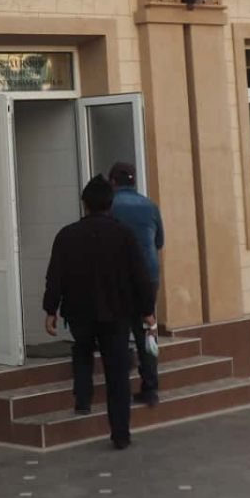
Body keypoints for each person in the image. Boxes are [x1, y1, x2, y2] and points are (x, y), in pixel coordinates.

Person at [43, 174, 157, 450]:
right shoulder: (124, 235)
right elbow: (140, 277)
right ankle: (121, 434)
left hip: (79, 313)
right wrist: (147, 311)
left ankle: (83, 400)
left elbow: (55, 276)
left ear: (85, 204)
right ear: (110, 204)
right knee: (117, 373)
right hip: (116, 315)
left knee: (82, 351)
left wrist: (51, 310)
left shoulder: (67, 236)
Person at [106, 161, 165, 406]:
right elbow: (159, 242)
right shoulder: (150, 206)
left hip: (119, 280)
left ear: (113, 182)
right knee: (147, 332)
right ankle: (150, 388)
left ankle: (119, 389)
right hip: (148, 279)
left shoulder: (109, 207)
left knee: (118, 333)